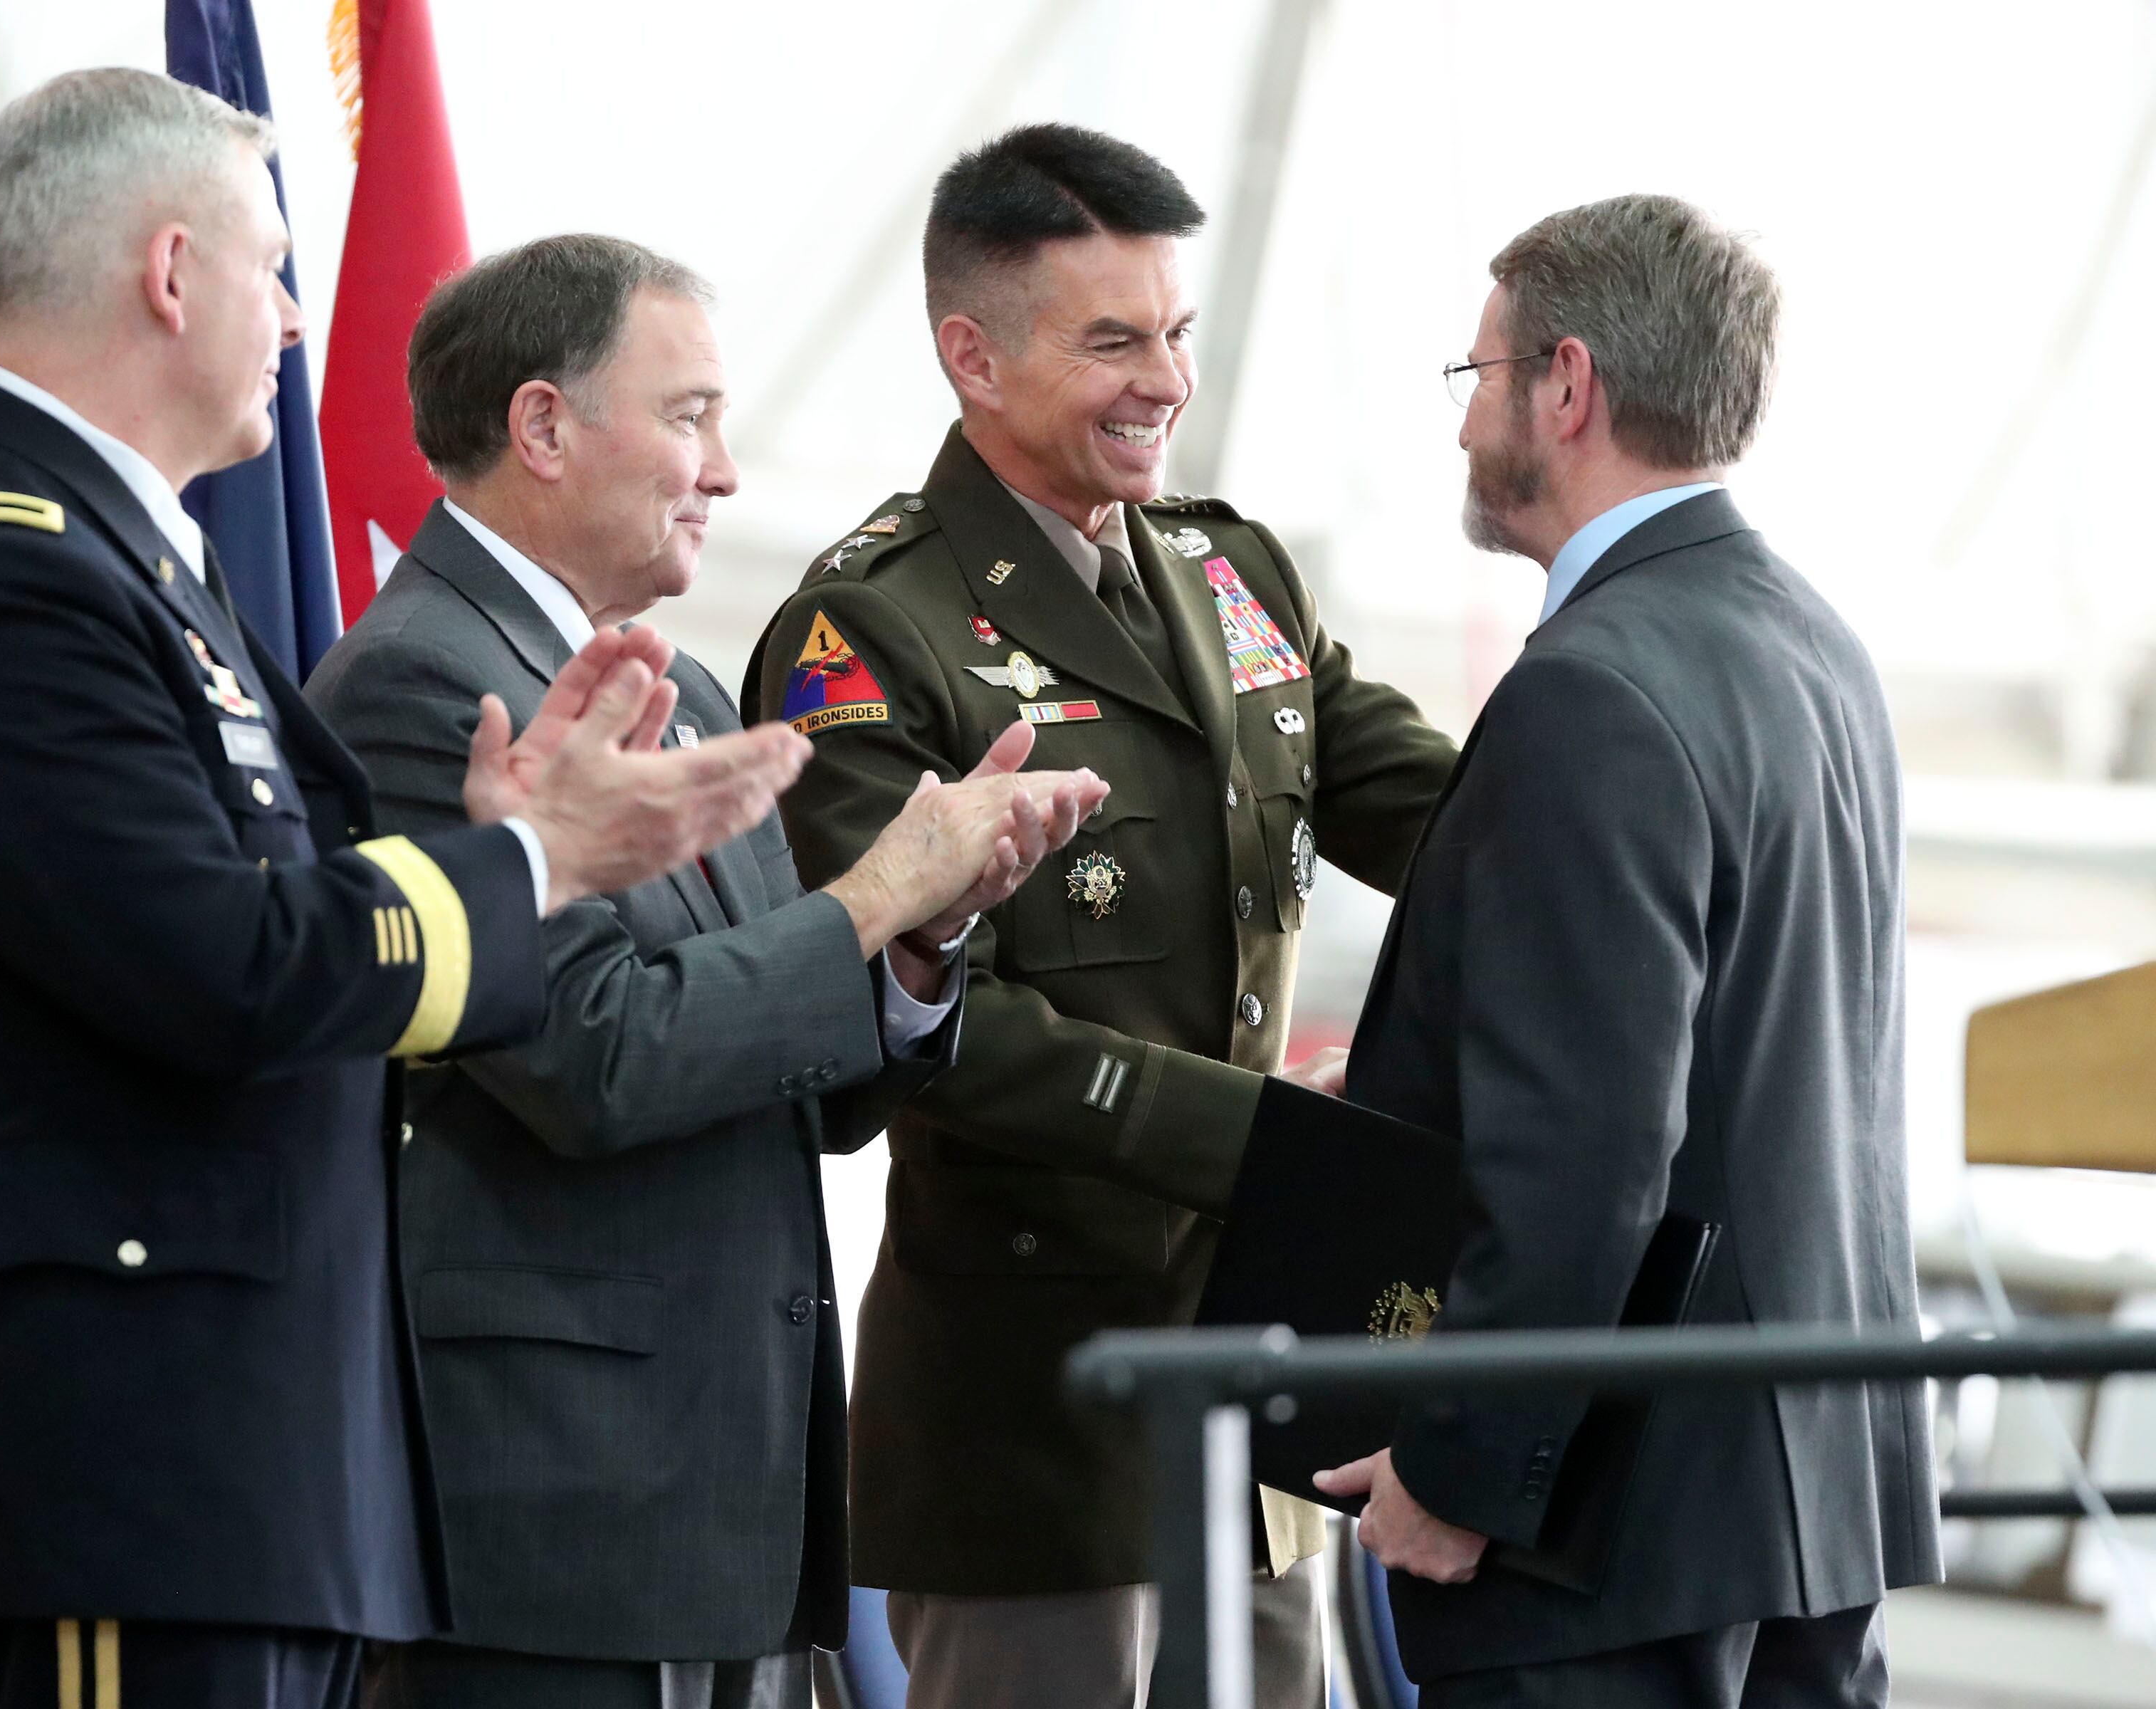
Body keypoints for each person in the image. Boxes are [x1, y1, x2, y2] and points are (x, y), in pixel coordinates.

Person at [0, 70, 807, 1709]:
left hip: (254, 1444)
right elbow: (223, 967)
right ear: (172, 271)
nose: (292, 317)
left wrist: (492, 835)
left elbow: (279, 927)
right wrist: (536, 860)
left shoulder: (126, 565)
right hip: (144, 1448)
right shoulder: (4, 573)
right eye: (273, 269)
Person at [305, 234, 1107, 1709]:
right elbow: (591, 1062)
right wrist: (872, 895)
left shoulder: (671, 690)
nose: (725, 473)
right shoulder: (416, 687)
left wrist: (921, 940)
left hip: (715, 1512)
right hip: (547, 1531)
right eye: (688, 418)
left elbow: (789, 1082)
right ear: (542, 426)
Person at [743, 124, 1455, 1708]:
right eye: (1113, 340)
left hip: (1268, 1420)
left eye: (1177, 333)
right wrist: (1260, 1140)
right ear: (970, 358)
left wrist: (1640, 784)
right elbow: (907, 1012)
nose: (1165, 381)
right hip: (1030, 1432)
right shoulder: (867, 627)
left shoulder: (1234, 575)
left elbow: (1452, 827)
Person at [1312, 194, 1942, 1706]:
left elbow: (1583, 1147)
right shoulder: (1812, 647)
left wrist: (1461, 1471)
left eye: (1475, 379)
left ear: (1565, 386)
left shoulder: (1590, 690)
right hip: (1802, 1506)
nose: (1464, 425)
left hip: (1611, 1545)